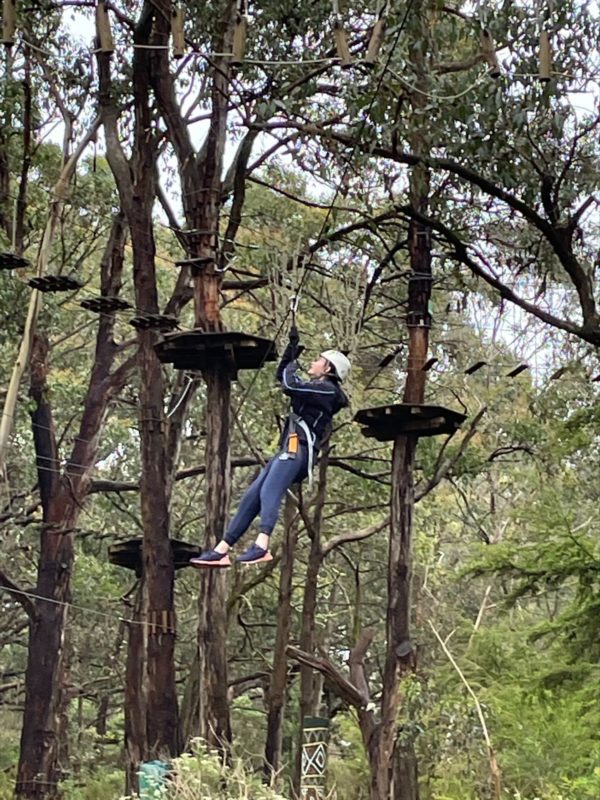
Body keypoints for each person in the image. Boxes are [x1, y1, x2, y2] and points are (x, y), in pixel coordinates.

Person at [190, 326, 350, 567]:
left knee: (269, 491)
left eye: (319, 360)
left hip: (299, 449)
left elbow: (290, 385)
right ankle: (222, 550)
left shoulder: (327, 390)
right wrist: (290, 353)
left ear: (327, 368)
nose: (314, 362)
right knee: (252, 496)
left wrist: (293, 364)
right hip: (289, 448)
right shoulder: (316, 390)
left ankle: (262, 544)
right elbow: (283, 378)